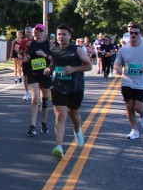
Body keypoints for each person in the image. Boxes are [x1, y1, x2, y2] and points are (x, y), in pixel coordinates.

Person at [47, 24, 92, 159]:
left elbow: (89, 66)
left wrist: (74, 69)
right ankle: (59, 147)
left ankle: (77, 130)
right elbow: (53, 64)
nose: (61, 37)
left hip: (75, 88)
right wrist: (49, 69)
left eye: (64, 34)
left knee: (74, 115)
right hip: (58, 87)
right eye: (59, 34)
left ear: (69, 36)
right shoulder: (54, 50)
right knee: (60, 116)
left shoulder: (77, 49)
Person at [114, 23, 143, 140]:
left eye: (136, 33)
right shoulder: (124, 49)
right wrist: (117, 68)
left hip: (141, 83)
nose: (133, 35)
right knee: (129, 106)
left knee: (138, 107)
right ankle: (134, 130)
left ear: (140, 35)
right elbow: (117, 63)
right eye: (131, 33)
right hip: (127, 82)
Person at [23, 24, 52, 136]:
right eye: (36, 31)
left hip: (45, 73)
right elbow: (26, 56)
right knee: (35, 99)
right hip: (33, 73)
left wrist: (45, 55)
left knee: (45, 100)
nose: (38, 33)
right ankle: (32, 126)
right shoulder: (30, 44)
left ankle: (43, 123)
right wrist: (26, 58)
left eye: (40, 31)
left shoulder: (49, 44)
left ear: (44, 33)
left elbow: (53, 58)